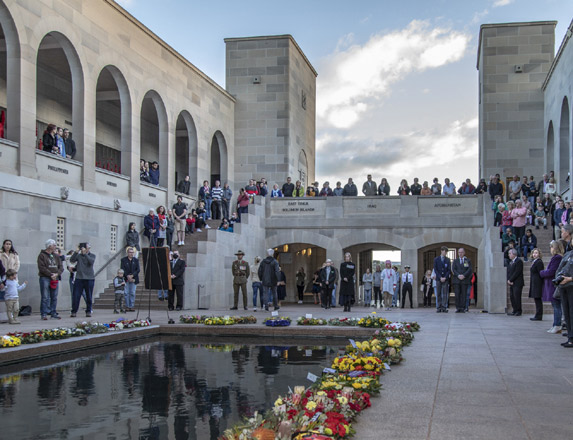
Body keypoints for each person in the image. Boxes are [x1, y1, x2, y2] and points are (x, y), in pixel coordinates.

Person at [541, 240, 564, 333]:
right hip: (552, 284)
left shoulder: (557, 258)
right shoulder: (556, 257)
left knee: (556, 306)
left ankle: (557, 325)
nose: (550, 249)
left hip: (553, 285)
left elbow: (551, 271)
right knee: (555, 305)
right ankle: (555, 324)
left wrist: (542, 272)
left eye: (551, 247)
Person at [37, 239, 64, 320]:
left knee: (54, 297)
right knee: (45, 296)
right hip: (45, 277)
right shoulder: (42, 255)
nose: (55, 246)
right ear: (49, 246)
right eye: (54, 245)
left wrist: (57, 274)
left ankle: (53, 313)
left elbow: (61, 267)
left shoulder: (56, 256)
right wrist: (50, 274)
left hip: (55, 278)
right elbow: (42, 267)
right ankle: (44, 313)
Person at [70, 243, 96, 318]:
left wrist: (85, 254)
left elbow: (91, 262)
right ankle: (74, 311)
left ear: (88, 249)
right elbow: (72, 260)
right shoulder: (78, 255)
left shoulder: (92, 255)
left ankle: (88, 310)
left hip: (89, 278)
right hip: (79, 278)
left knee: (89, 295)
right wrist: (76, 252)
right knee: (76, 296)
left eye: (85, 248)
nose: (83, 249)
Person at [555, 244, 573, 347]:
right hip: (563, 286)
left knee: (571, 312)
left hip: (571, 285)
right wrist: (559, 278)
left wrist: (570, 279)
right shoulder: (568, 254)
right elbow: (560, 268)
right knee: (567, 313)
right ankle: (570, 337)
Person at [452, 248, 472, 313]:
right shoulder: (455, 261)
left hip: (464, 280)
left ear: (464, 253)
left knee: (464, 294)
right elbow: (453, 269)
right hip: (457, 281)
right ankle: (458, 308)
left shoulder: (467, 260)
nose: (460, 254)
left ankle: (463, 308)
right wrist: (458, 275)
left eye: (461, 252)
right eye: (459, 252)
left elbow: (469, 269)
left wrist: (464, 275)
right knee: (457, 294)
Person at [120, 247, 140, 312]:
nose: (131, 254)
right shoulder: (123, 260)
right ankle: (127, 306)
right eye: (130, 252)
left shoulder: (136, 260)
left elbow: (138, 270)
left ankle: (131, 306)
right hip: (126, 279)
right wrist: (127, 276)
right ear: (127, 253)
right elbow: (122, 269)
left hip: (134, 279)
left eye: (132, 252)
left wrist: (132, 275)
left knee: (132, 293)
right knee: (126, 293)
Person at [528, 248, 545, 321]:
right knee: (536, 299)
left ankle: (539, 315)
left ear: (539, 254)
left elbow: (540, 273)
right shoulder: (534, 262)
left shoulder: (539, 262)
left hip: (537, 283)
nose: (535, 254)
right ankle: (537, 314)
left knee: (538, 299)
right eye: (534, 253)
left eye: (536, 253)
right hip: (534, 282)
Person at [433, 246, 451, 313]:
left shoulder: (448, 260)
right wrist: (440, 277)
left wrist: (445, 277)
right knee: (439, 293)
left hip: (445, 279)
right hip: (438, 279)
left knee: (445, 293)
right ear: (441, 251)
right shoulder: (436, 259)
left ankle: (444, 306)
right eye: (444, 251)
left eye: (446, 252)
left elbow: (449, 270)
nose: (445, 253)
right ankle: (439, 307)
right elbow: (435, 269)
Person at [506, 248, 524, 316]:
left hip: (517, 282)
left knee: (517, 297)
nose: (509, 255)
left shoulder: (519, 261)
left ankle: (519, 311)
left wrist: (511, 280)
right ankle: (515, 310)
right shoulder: (511, 262)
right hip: (511, 282)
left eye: (510, 254)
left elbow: (517, 272)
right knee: (512, 296)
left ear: (514, 254)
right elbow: (509, 272)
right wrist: (508, 280)